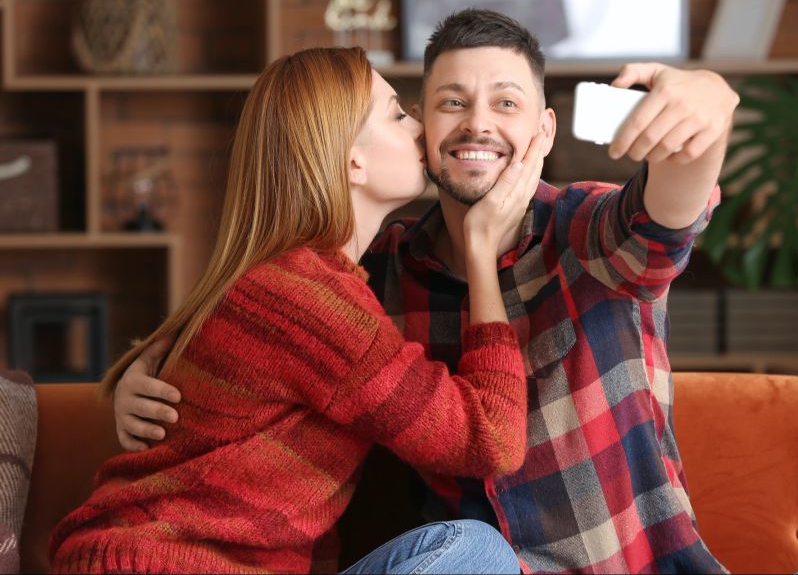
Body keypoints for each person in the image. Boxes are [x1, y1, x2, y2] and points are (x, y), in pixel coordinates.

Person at [113, 10, 798, 574]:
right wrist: (137, 375)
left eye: (506, 103)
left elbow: (667, 215)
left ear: (546, 133)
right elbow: (250, 330)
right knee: (474, 552)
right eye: (450, 102)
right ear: (421, 127)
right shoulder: (372, 269)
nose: (475, 123)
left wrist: (707, 109)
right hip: (474, 564)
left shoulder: (585, 231)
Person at [47, 46, 550, 574]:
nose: (422, 127)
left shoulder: (293, 279)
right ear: (352, 160)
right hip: (163, 566)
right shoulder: (314, 301)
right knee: (477, 551)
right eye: (398, 114)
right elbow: (490, 441)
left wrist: (136, 364)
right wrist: (480, 250)